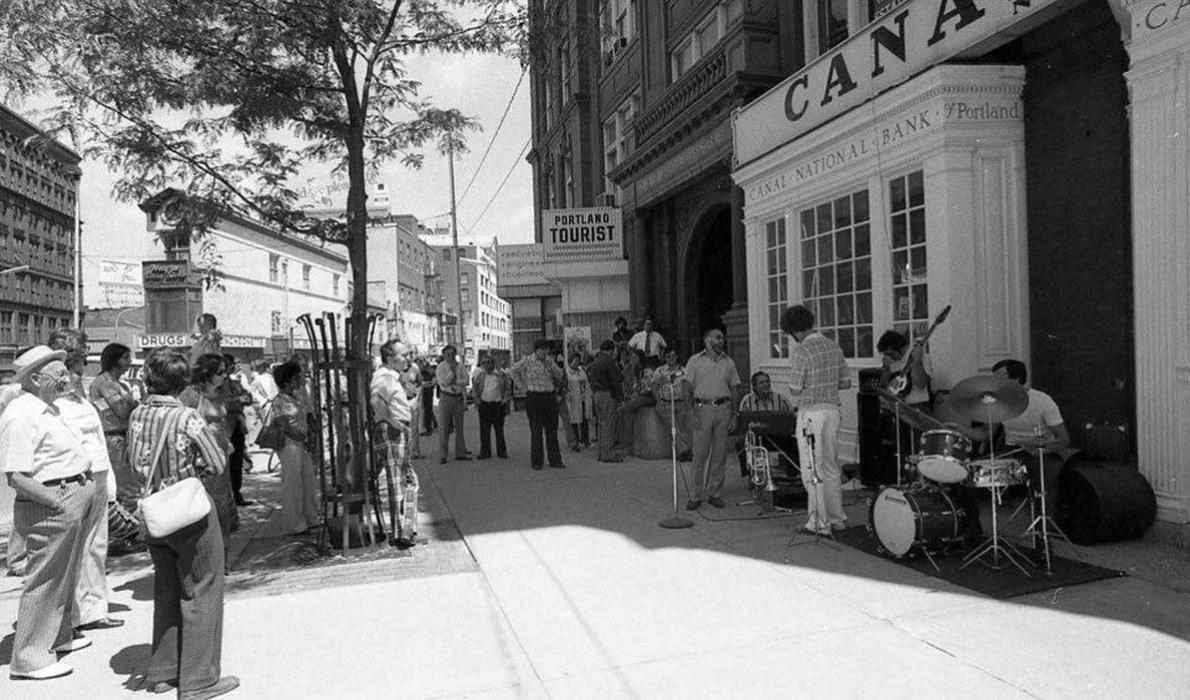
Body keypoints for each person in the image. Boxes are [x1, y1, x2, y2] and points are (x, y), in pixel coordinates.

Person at [128, 350, 239, 699]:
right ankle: (198, 679)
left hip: (155, 513)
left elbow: (129, 460)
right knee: (203, 587)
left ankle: (162, 672)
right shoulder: (187, 417)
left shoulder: (137, 414)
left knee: (166, 589)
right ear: (182, 382)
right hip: (188, 511)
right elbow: (218, 462)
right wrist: (193, 473)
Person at [1, 346, 97, 681]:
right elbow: (16, 476)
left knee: (63, 577)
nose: (66, 378)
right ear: (36, 378)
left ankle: (56, 638)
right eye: (57, 373)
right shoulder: (21, 415)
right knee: (45, 581)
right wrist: (57, 501)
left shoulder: (46, 409)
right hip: (51, 503)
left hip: (68, 495)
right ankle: (29, 659)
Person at [49, 330, 124, 634]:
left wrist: (110, 483)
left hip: (99, 475)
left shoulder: (81, 398)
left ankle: (93, 608)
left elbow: (97, 438)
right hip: (78, 478)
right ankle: (71, 614)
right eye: (73, 365)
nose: (77, 373)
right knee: (75, 549)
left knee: (96, 545)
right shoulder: (53, 401)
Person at [783, 304, 851, 535]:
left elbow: (794, 388)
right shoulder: (834, 346)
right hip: (833, 411)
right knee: (831, 465)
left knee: (812, 468)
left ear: (794, 331)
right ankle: (836, 517)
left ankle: (818, 522)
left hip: (810, 414)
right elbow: (846, 382)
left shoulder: (802, 351)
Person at [992, 359, 1072, 523]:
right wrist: (960, 430)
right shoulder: (997, 402)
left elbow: (1064, 440)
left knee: (1046, 475)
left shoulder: (1043, 401)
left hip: (1044, 450)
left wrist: (1041, 450)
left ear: (1016, 379)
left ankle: (1044, 527)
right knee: (975, 472)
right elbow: (985, 434)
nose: (995, 383)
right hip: (1012, 449)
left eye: (1000, 378)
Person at [180, 354, 237, 545]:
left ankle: (224, 557)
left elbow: (222, 420)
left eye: (226, 371)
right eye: (220, 372)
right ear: (207, 373)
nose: (224, 376)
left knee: (222, 505)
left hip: (221, 454)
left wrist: (227, 441)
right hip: (201, 458)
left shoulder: (220, 393)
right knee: (205, 505)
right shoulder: (191, 394)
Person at [684, 328, 742, 510]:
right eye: (717, 338)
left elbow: (734, 389)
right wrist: (690, 412)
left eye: (722, 338)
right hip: (702, 409)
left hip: (723, 409)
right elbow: (686, 387)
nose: (721, 341)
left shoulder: (729, 362)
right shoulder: (694, 361)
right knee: (699, 454)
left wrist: (734, 414)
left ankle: (714, 493)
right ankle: (695, 495)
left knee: (720, 453)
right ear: (707, 340)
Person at [371, 341, 417, 546]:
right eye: (403, 355)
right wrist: (395, 423)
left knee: (406, 479)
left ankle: (405, 529)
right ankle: (401, 532)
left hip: (397, 430)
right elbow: (377, 403)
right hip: (391, 432)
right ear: (390, 358)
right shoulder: (384, 377)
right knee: (399, 481)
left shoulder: (393, 377)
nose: (407, 358)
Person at [271, 361, 321, 536]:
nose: (301, 380)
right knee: (293, 485)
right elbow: (285, 425)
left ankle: (311, 518)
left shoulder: (296, 398)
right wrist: (303, 436)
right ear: (288, 380)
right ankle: (294, 524)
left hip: (302, 444)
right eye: (297, 377)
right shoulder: (279, 401)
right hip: (290, 445)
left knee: (308, 481)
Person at [90, 343, 140, 505]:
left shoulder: (118, 383)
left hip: (121, 438)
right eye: (125, 358)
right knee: (125, 488)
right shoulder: (105, 383)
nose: (130, 362)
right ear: (114, 360)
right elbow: (122, 411)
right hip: (113, 440)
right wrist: (134, 404)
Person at [511, 339, 567, 470]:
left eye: (547, 349)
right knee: (536, 431)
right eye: (543, 349)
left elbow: (559, 375)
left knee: (552, 431)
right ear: (536, 350)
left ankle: (555, 460)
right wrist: (521, 385)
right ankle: (537, 461)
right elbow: (513, 370)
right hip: (534, 397)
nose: (545, 352)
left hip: (549, 396)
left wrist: (554, 365)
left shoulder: (549, 361)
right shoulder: (528, 360)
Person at [221, 354, 254, 507]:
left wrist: (242, 399)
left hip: (237, 427)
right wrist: (238, 401)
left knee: (237, 463)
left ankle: (237, 493)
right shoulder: (217, 387)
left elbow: (248, 397)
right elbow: (222, 405)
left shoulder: (235, 384)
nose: (232, 367)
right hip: (224, 428)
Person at [588, 340, 624, 462]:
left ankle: (602, 453)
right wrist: (620, 399)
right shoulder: (609, 361)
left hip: (596, 395)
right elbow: (615, 382)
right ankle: (608, 455)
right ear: (611, 349)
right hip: (607, 395)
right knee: (609, 425)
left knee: (602, 425)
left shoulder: (595, 361)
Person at [652, 348, 692, 461]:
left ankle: (686, 450)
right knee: (672, 425)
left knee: (683, 425)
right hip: (665, 403)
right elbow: (654, 386)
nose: (671, 359)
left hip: (680, 402)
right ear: (665, 358)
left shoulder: (684, 371)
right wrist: (659, 401)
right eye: (669, 357)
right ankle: (684, 450)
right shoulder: (660, 371)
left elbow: (687, 386)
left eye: (673, 356)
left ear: (677, 357)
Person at [877, 329, 932, 410]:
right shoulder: (893, 361)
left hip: (917, 407)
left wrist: (916, 362)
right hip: (898, 408)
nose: (890, 357)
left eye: (891, 354)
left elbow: (922, 384)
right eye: (887, 355)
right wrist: (886, 369)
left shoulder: (922, 356)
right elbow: (885, 385)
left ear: (900, 348)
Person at [471, 354, 512, 459]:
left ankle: (502, 452)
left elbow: (508, 388)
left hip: (497, 405)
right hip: (484, 405)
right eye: (483, 363)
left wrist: (505, 400)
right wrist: (477, 400)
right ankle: (485, 452)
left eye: (488, 362)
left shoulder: (500, 375)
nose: (485, 365)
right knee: (484, 431)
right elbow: (475, 388)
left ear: (493, 363)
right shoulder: (480, 376)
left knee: (499, 430)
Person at [435, 345, 471, 463]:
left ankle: (460, 452)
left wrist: (456, 381)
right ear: (444, 355)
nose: (450, 357)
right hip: (446, 397)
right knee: (444, 427)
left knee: (459, 427)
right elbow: (443, 382)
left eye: (452, 354)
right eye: (448, 354)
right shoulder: (441, 367)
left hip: (458, 398)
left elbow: (466, 381)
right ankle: (442, 455)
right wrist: (451, 372)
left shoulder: (461, 366)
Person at [564, 353, 592, 451]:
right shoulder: (566, 372)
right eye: (574, 361)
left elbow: (587, 383)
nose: (576, 363)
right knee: (574, 421)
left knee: (584, 419)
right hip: (573, 400)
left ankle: (585, 439)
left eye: (578, 361)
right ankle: (574, 441)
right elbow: (565, 385)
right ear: (570, 361)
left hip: (583, 398)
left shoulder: (581, 371)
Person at [402, 352, 425, 459]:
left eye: (407, 358)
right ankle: (404, 452)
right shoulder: (396, 370)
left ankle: (415, 451)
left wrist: (417, 398)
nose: (406, 360)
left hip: (412, 400)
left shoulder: (415, 369)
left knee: (414, 428)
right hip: (400, 402)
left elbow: (420, 384)